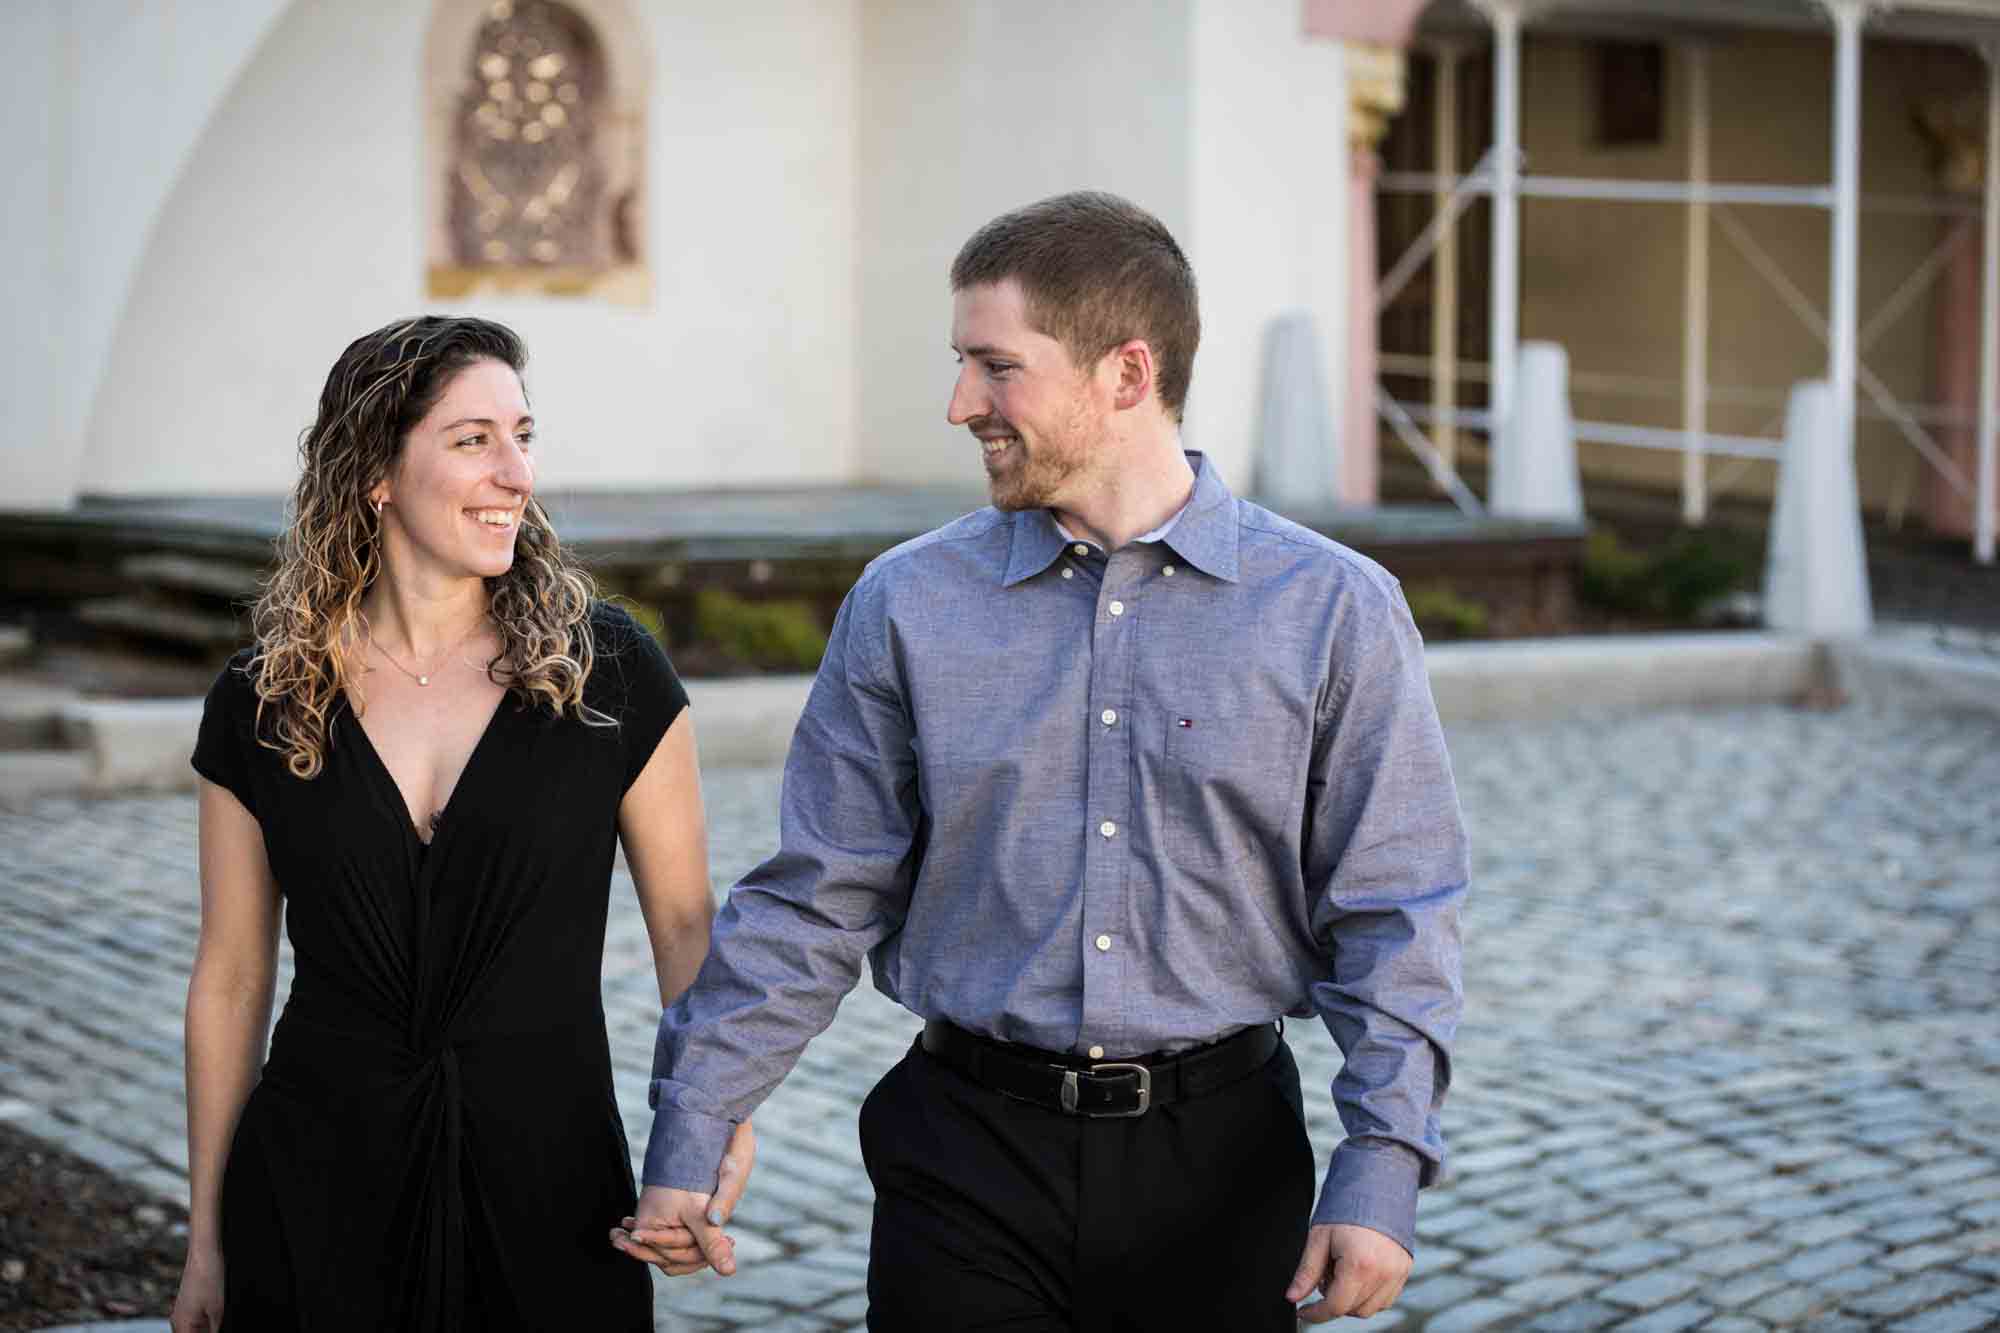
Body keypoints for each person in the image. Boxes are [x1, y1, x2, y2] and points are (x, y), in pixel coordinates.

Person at [623, 192, 1468, 1328]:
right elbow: (820, 892)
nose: (959, 403)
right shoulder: (908, 601)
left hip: (1222, 1171)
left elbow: (1394, 906)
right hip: (962, 1159)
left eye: (994, 365)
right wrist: (696, 1117)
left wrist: (1381, 1160)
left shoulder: (1333, 610)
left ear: (1125, 373)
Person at [169, 315, 752, 1332]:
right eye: (472, 439)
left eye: (522, 435)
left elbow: (684, 928)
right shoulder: (265, 697)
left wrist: (702, 1133)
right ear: (376, 471)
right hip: (314, 1184)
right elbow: (230, 979)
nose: (515, 472)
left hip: (552, 1181)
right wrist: (207, 1244)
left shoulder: (609, 673)